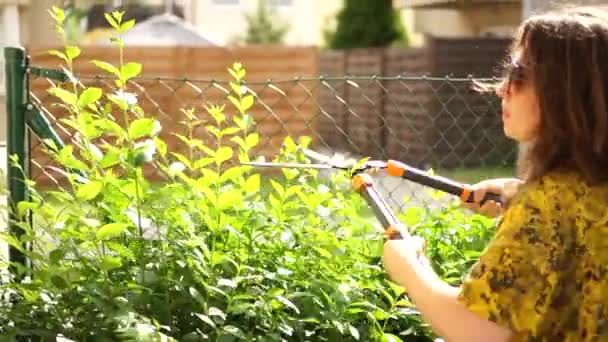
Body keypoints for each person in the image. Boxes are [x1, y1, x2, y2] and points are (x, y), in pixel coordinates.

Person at [382, 6, 608, 342]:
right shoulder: (582, 193)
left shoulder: (546, 207)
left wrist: (411, 269)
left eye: (519, 74)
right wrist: (516, 192)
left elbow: (477, 331)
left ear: (565, 89)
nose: (503, 88)